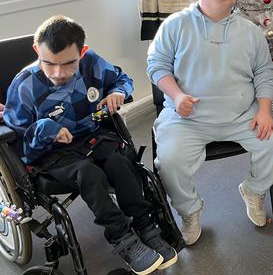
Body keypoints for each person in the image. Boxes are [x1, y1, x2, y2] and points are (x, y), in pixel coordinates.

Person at [3, 16, 176, 274]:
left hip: (92, 137)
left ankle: (145, 226)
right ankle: (122, 238)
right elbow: (22, 148)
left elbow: (122, 78)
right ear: (37, 51)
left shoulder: (92, 62)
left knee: (120, 161)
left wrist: (119, 92)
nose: (58, 73)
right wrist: (46, 130)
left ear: (82, 52)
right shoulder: (24, 85)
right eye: (49, 63)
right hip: (51, 154)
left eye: (69, 63)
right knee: (89, 173)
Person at [147, 0, 273, 246]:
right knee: (170, 161)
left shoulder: (250, 31)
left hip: (240, 115)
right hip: (188, 118)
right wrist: (176, 96)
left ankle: (253, 190)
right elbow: (156, 65)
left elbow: (264, 72)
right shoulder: (176, 25)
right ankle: (190, 211)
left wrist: (263, 110)